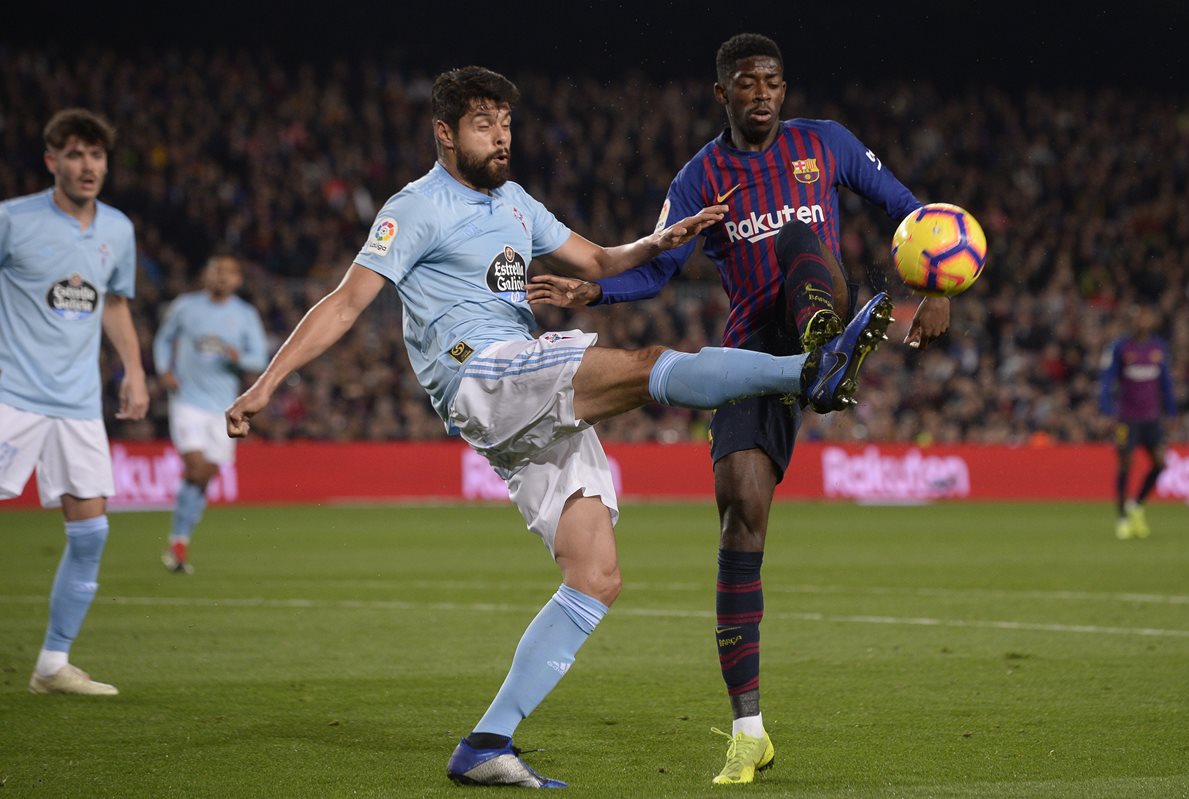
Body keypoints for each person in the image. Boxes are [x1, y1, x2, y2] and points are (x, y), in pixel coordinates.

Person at [225, 65, 892, 789]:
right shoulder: (414, 207)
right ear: (444, 134)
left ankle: (485, 743)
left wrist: (668, 235)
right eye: (484, 124)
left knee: (596, 574)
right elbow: (345, 301)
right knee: (641, 366)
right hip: (480, 370)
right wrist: (268, 382)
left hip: (521, 397)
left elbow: (604, 260)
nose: (501, 136)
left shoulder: (515, 203)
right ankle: (807, 372)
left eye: (506, 123)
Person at [525, 33, 951, 784]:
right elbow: (655, 267)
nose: (763, 93)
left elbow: (909, 211)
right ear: (722, 94)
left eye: (774, 81)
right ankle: (748, 729)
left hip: (820, 299)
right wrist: (592, 289)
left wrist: (936, 288)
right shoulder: (698, 177)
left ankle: (828, 346)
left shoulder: (827, 144)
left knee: (797, 234)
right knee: (738, 515)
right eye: (748, 83)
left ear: (786, 89)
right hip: (752, 355)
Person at [0, 108, 149, 695]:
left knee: (90, 534)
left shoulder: (118, 229)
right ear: (51, 161)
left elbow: (114, 303)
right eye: (76, 154)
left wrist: (133, 372)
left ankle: (52, 665)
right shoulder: (12, 220)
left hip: (79, 404)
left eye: (96, 155)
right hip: (11, 395)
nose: (88, 166)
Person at [153, 251, 268, 573]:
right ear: (206, 275)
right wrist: (164, 370)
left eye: (228, 272)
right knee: (196, 467)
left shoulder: (244, 314)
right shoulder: (185, 307)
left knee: (203, 478)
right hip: (186, 401)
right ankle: (178, 540)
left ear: (238, 280)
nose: (221, 276)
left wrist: (237, 358)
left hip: (224, 408)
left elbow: (258, 359)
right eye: (216, 270)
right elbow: (163, 340)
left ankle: (179, 542)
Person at [1099, 304, 1177, 539]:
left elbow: (1166, 384)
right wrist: (1107, 411)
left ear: (1151, 322)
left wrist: (1172, 413)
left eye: (1145, 318)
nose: (1141, 322)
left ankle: (1137, 504)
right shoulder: (1121, 347)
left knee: (1161, 464)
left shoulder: (1158, 348)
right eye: (1137, 318)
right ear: (1131, 322)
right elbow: (1107, 381)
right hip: (1127, 418)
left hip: (1151, 418)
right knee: (1125, 463)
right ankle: (1122, 517)